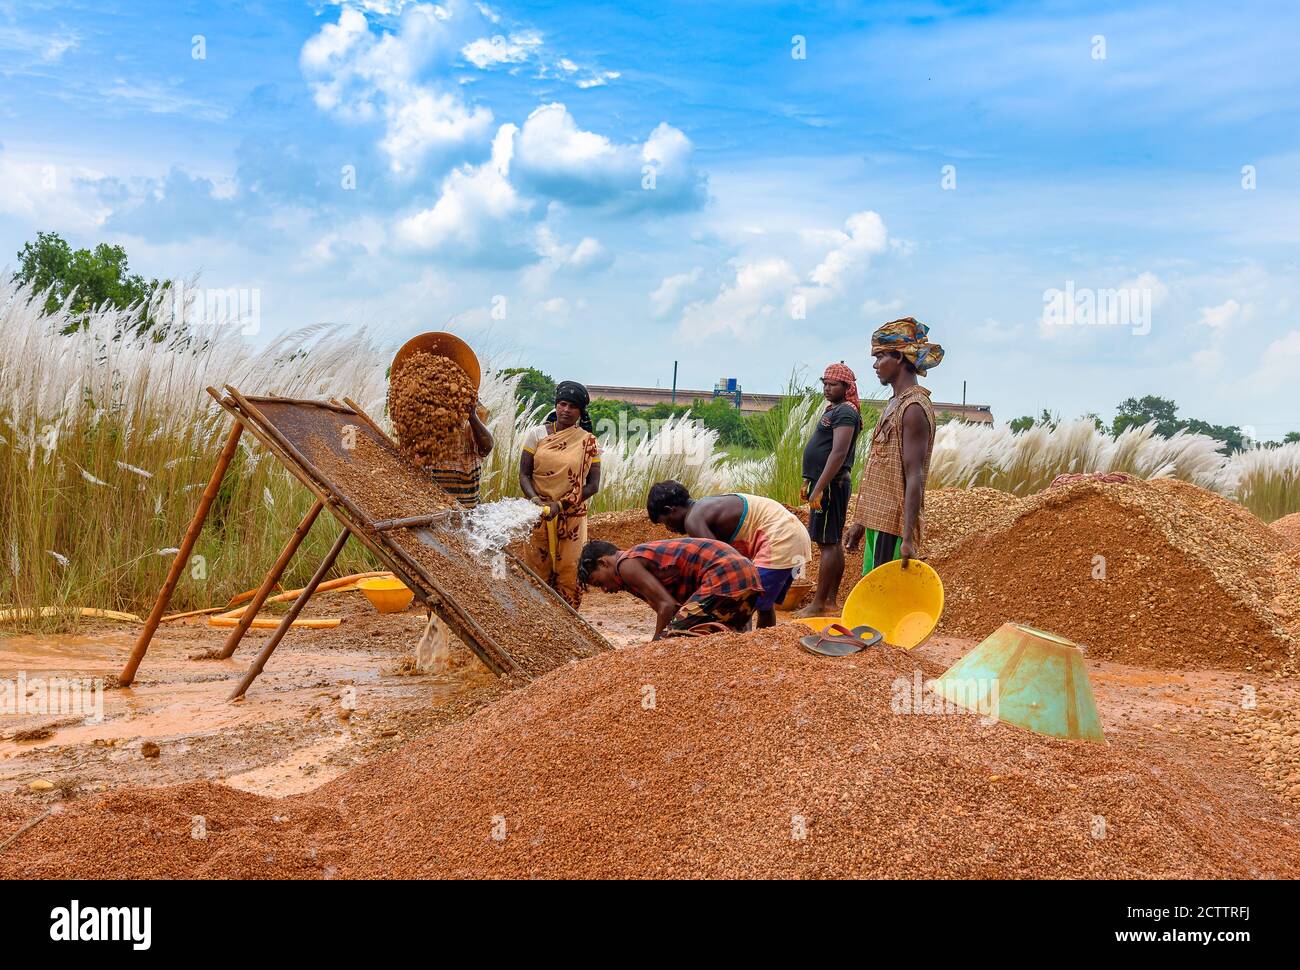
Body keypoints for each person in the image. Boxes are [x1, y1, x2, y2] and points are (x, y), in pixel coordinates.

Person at [845, 317, 943, 573]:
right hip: (877, 522)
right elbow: (880, 470)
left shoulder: (913, 408)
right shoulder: (895, 403)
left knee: (885, 600)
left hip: (893, 526)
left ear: (899, 357)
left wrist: (908, 539)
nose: (876, 365)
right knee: (872, 591)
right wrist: (861, 521)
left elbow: (914, 476)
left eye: (880, 357)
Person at [645, 480, 811, 629]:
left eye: (665, 523)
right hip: (794, 535)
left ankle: (755, 648)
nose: (670, 529)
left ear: (670, 510)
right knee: (763, 605)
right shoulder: (705, 507)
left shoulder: (693, 521)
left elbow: (720, 563)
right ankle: (761, 646)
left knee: (745, 601)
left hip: (780, 539)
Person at [578, 537, 762, 639]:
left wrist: (656, 644)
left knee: (673, 636)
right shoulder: (635, 562)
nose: (604, 590)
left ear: (603, 563)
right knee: (721, 637)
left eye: (599, 583)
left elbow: (667, 606)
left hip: (725, 574)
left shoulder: (625, 565)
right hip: (748, 576)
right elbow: (673, 608)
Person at [519, 380, 602, 607]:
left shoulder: (588, 442)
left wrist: (561, 505)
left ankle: (567, 625)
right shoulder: (536, 435)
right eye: (562, 404)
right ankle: (537, 621)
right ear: (556, 405)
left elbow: (593, 485)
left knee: (570, 572)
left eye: (573, 406)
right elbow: (524, 475)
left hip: (571, 517)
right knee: (537, 571)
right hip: (538, 513)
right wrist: (536, 500)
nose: (566, 410)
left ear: (580, 411)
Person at [794, 362, 863, 618]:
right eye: (824, 383)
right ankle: (829, 602)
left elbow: (838, 453)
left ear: (847, 387)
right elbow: (820, 448)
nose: (826, 388)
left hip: (832, 485)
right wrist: (807, 480)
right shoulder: (835, 410)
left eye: (832, 384)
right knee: (829, 542)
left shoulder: (846, 412)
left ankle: (820, 604)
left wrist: (820, 487)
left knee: (829, 543)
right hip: (824, 483)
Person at [428, 402, 494, 509]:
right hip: (436, 511)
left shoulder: (469, 429)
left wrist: (472, 415)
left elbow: (486, 448)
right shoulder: (426, 432)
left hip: (467, 512)